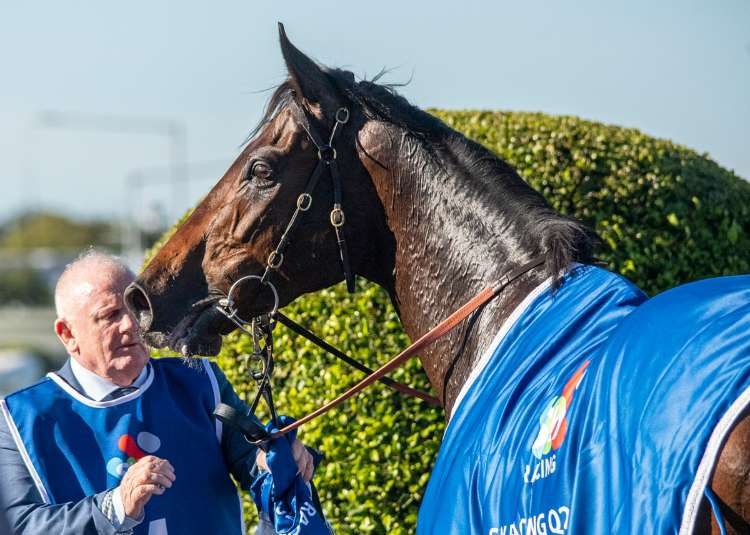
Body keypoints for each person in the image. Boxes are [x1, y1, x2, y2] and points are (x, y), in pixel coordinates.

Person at [0, 250, 314, 534]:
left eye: (135, 308)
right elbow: (20, 525)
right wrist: (115, 506)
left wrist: (276, 463)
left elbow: (250, 460)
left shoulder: (198, 378)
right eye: (110, 315)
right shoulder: (19, 418)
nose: (131, 325)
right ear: (67, 334)